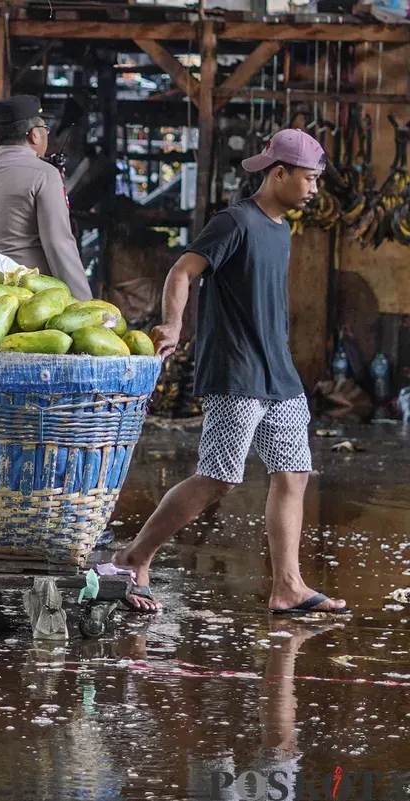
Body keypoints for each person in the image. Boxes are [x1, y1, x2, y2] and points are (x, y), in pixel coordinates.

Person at [112, 128, 347, 615]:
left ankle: (288, 586)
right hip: (236, 372)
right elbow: (182, 271)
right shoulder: (234, 222)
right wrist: (173, 325)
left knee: (294, 473)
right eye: (310, 178)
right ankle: (134, 558)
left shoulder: (281, 229)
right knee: (219, 478)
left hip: (278, 373)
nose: (314, 188)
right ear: (278, 173)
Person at [0, 94, 92, 300]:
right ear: (34, 135)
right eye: (45, 130)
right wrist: (85, 303)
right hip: (27, 299)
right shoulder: (44, 174)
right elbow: (59, 245)